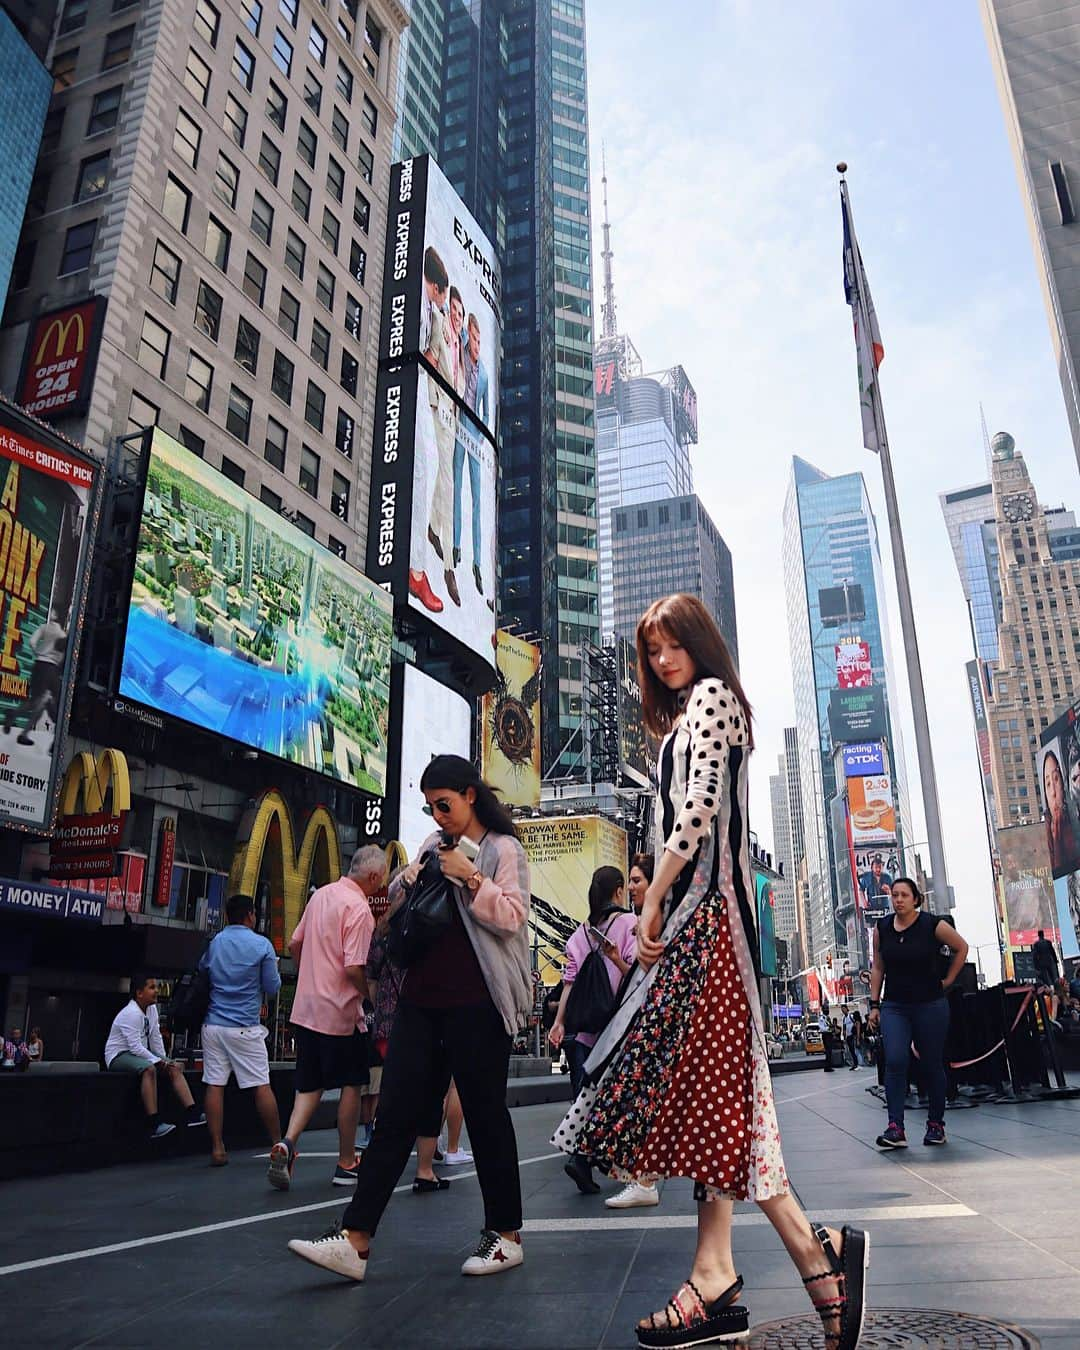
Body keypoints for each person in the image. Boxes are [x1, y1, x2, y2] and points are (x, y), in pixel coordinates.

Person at [552, 594, 869, 1350]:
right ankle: (790, 1262)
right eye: (652, 651)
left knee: (717, 1095)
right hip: (697, 925)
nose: (662, 661)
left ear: (698, 643)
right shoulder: (685, 714)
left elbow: (697, 812)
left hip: (709, 925)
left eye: (672, 646)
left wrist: (652, 898)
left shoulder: (715, 699)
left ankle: (725, 1275)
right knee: (723, 1098)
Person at [287, 755, 532, 1283]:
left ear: (470, 795)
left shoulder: (503, 849)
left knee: (486, 1115)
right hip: (420, 1001)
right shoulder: (427, 846)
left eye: (444, 804)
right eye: (430, 807)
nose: (438, 816)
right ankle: (355, 1240)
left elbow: (513, 918)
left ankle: (506, 1234)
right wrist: (406, 879)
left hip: (478, 1002)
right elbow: (392, 910)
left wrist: (470, 878)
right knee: (395, 1115)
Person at [267, 846, 382, 1191]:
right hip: (341, 1014)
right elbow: (353, 967)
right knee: (351, 1083)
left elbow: (294, 942)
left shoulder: (321, 896)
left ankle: (287, 1142)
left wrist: (310, 975)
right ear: (374, 877)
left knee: (309, 1084)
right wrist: (369, 994)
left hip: (306, 1008)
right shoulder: (359, 908)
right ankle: (346, 1162)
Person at [548, 866, 638, 1199]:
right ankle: (592, 1159)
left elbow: (569, 981)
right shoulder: (629, 924)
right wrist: (616, 960)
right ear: (617, 890)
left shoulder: (581, 933)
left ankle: (586, 1159)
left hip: (584, 1030)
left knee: (590, 1097)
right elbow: (632, 974)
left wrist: (559, 1023)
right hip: (615, 1026)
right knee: (615, 1099)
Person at [867, 879, 969, 1149]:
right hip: (895, 1006)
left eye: (904, 895)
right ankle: (895, 1127)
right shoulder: (882, 928)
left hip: (930, 1003)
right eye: (895, 895)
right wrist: (874, 1004)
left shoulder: (932, 924)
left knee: (931, 1063)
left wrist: (947, 982)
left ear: (916, 899)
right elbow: (878, 967)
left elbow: (962, 948)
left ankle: (936, 1125)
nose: (898, 899)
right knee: (896, 1060)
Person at [199, 893, 282, 1166]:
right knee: (261, 1086)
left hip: (213, 1025)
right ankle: (277, 1144)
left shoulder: (216, 943)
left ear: (227, 916)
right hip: (245, 1027)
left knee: (214, 1084)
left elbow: (204, 971)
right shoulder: (262, 945)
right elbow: (272, 987)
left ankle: (217, 1147)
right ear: (250, 916)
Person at [104, 975, 206, 1138]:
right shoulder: (130, 1013)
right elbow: (134, 1047)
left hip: (141, 1052)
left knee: (174, 1067)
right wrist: (159, 1062)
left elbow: (155, 1038)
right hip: (119, 1055)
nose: (156, 991)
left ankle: (192, 1112)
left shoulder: (151, 1010)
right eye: (151, 987)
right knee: (149, 1069)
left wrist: (166, 1061)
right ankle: (154, 1123)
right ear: (139, 993)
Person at [409, 247, 451, 615]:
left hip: (419, 385)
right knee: (423, 468)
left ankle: (417, 566)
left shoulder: (429, 312)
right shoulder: (418, 299)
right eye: (442, 296)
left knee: (429, 466)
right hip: (411, 381)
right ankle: (416, 570)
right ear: (436, 286)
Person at [453, 313, 490, 602]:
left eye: (479, 340)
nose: (475, 343)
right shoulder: (462, 346)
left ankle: (478, 564)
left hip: (474, 434)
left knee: (477, 501)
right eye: (473, 338)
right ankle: (454, 544)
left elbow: (487, 412)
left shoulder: (487, 376)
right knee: (456, 486)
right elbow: (458, 324)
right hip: (456, 423)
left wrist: (480, 436)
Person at [1, 613, 67, 746]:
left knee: (38, 701)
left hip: (38, 665)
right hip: (50, 669)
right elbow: (61, 658)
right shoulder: (62, 636)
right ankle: (21, 728)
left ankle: (17, 721)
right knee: (45, 701)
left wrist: (39, 653)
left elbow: (31, 642)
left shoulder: (44, 628)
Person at [1043, 749, 1080, 875]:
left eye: (1056, 779)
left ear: (1063, 786)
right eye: (1048, 784)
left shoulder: (1076, 819)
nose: (1053, 792)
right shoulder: (1045, 840)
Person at [1032, 929, 1062, 1025]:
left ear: (1038, 935)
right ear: (1043, 935)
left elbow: (1034, 955)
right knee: (1052, 977)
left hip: (1042, 963)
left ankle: (1051, 987)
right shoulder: (1048, 942)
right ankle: (1052, 987)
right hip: (1049, 962)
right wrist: (1056, 961)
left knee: (1047, 978)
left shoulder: (1036, 944)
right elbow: (1052, 952)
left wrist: (1035, 965)